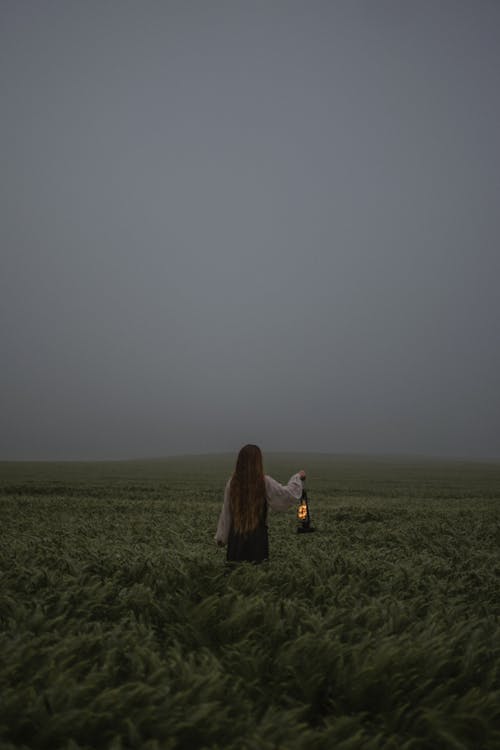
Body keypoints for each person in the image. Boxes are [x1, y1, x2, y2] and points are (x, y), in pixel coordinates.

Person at [215, 444, 306, 563]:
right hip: (257, 540)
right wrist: (298, 477)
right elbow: (286, 495)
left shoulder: (232, 482)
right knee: (257, 573)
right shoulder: (264, 481)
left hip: (236, 541)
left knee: (236, 575)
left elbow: (226, 512)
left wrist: (222, 537)